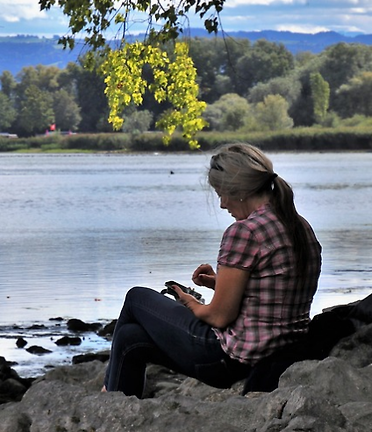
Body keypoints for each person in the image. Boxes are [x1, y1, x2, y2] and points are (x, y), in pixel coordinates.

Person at [102, 142, 322, 397]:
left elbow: (219, 317)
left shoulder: (244, 231)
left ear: (237, 190)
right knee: (130, 338)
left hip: (230, 358)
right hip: (281, 349)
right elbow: (275, 288)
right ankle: (115, 400)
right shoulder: (299, 225)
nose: (222, 205)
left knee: (136, 297)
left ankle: (108, 391)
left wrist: (190, 303)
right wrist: (220, 283)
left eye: (221, 193)